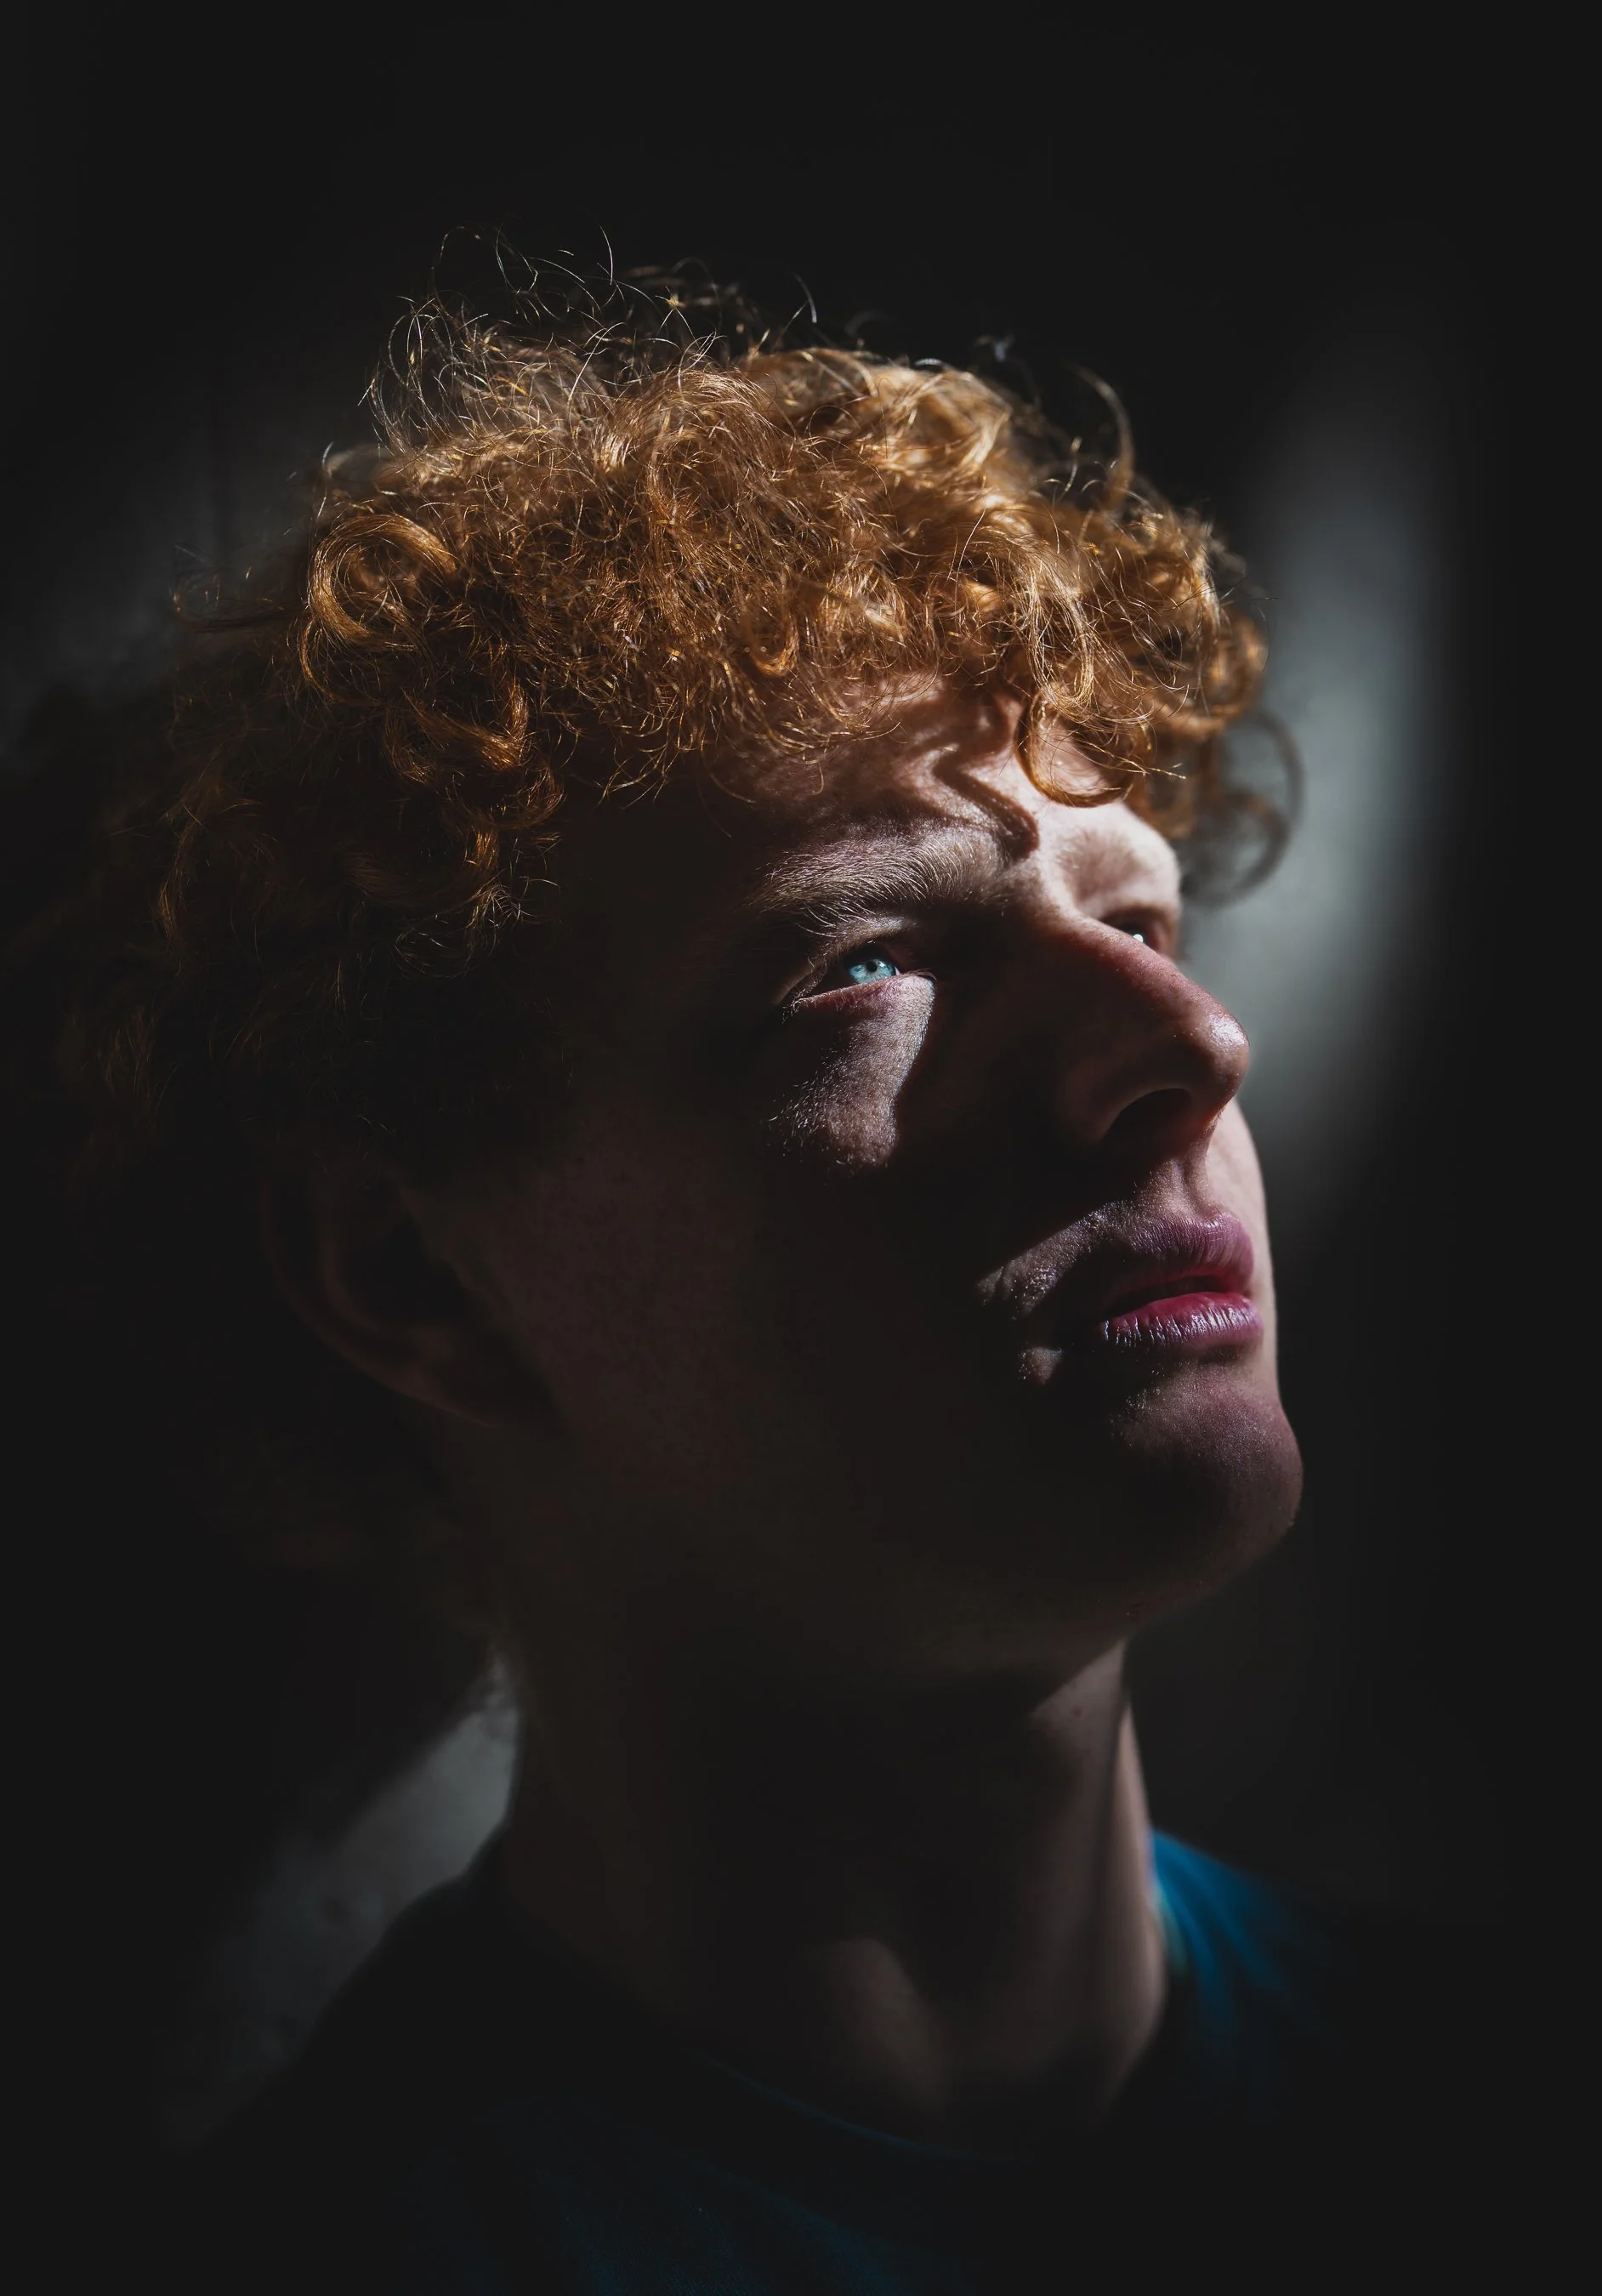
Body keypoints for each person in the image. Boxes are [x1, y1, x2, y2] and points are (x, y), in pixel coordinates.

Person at [13, 281, 1478, 2289]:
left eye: (1138, 909)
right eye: (863, 963)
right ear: (411, 1274)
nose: (1186, 1051)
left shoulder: (1494, 2105)